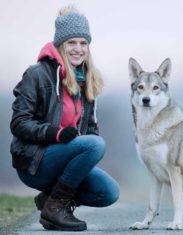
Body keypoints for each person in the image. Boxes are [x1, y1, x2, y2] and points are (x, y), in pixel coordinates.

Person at [10, 6, 119, 231]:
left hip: (66, 161)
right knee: (95, 144)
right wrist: (56, 133)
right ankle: (56, 208)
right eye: (72, 43)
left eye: (83, 43)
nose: (78, 49)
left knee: (109, 192)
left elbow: (90, 130)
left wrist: (85, 155)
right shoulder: (37, 74)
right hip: (35, 162)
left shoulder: (87, 80)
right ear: (61, 44)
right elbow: (19, 123)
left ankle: (49, 200)